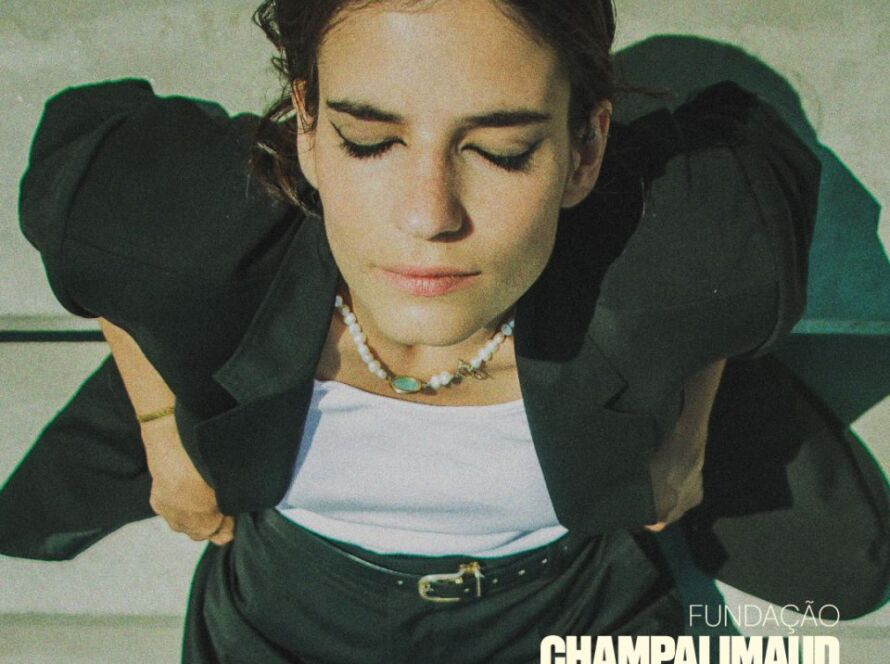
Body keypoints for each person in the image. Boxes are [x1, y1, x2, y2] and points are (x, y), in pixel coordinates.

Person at [0, 0, 847, 661]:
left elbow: (749, 193)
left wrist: (691, 420)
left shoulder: (690, 247)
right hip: (283, 612)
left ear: (585, 151)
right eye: (369, 140)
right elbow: (85, 205)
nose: (428, 215)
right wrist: (160, 429)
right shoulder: (195, 233)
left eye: (502, 150)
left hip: (577, 611)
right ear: (306, 124)